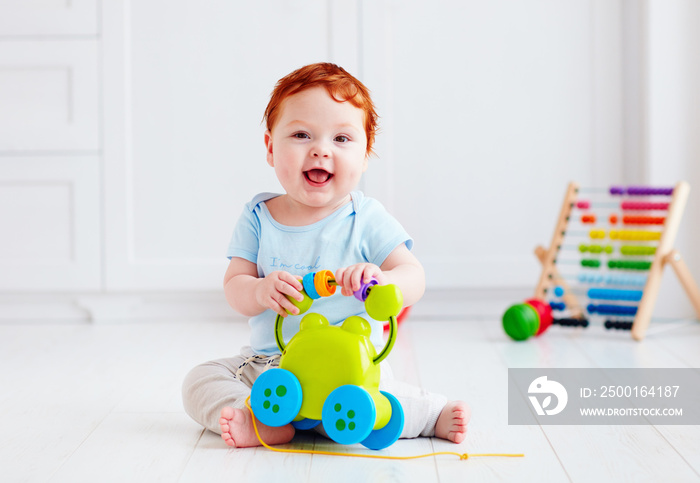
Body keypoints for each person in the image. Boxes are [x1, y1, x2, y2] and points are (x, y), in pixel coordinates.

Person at [182, 62, 470, 448]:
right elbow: (235, 285)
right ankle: (260, 416)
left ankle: (428, 414)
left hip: (350, 369)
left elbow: (413, 274)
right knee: (200, 380)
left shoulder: (365, 218)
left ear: (365, 155)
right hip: (273, 368)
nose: (320, 149)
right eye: (302, 134)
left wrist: (382, 281)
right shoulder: (258, 217)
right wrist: (258, 291)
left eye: (342, 139)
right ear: (271, 147)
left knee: (379, 397)